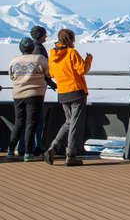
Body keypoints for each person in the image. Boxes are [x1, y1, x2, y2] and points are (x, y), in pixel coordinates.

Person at [43, 29, 93, 166]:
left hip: (63, 92)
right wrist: (89, 59)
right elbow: (83, 69)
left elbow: (52, 73)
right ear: (71, 39)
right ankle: (71, 155)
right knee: (75, 122)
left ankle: (53, 148)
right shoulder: (71, 53)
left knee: (69, 121)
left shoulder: (53, 55)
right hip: (76, 90)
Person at [7, 38, 49, 162]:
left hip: (18, 94)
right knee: (31, 123)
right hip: (35, 94)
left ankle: (10, 150)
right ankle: (28, 152)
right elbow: (48, 72)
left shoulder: (14, 61)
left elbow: (11, 75)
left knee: (18, 122)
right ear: (32, 48)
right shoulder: (39, 59)